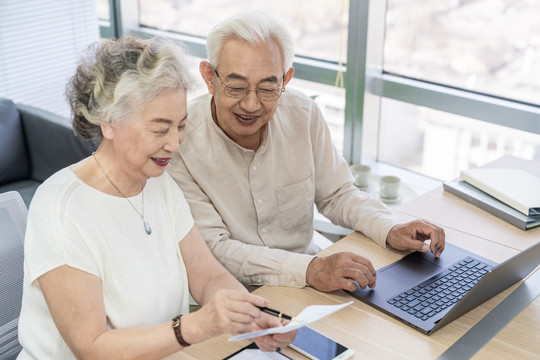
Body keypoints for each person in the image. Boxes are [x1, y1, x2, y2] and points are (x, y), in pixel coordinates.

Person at [16, 34, 295, 359]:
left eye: (180, 126)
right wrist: (195, 327)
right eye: (160, 129)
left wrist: (247, 312)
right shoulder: (61, 210)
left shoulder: (158, 183)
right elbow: (92, 347)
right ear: (109, 121)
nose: (174, 144)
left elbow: (207, 275)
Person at [166, 11, 446, 293]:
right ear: (208, 77)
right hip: (231, 289)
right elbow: (215, 249)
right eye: (236, 87)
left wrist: (389, 227)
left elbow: (337, 195)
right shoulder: (179, 140)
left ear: (285, 79)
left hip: (308, 278)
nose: (251, 105)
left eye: (267, 88)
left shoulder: (303, 114)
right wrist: (310, 269)